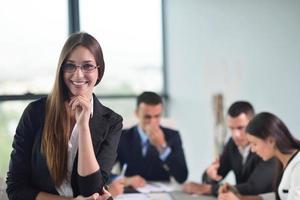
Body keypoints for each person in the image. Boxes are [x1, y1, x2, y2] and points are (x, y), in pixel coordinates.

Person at [6, 32, 123, 200]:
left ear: (99, 70)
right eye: (70, 66)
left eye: (87, 66)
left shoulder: (112, 122)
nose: (78, 74)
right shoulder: (35, 113)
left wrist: (83, 128)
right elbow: (16, 189)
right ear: (61, 70)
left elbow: (93, 191)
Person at [183, 101, 276, 196]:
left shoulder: (267, 146)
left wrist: (208, 189)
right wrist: (210, 176)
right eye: (231, 128)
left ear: (253, 124)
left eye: (240, 128)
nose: (236, 135)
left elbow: (254, 188)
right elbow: (217, 173)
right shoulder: (232, 144)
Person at [218, 112, 300, 200]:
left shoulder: (298, 166)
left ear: (271, 141)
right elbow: (280, 196)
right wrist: (241, 198)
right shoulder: (283, 162)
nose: (252, 150)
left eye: (254, 144)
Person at [116, 91, 188, 189]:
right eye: (147, 117)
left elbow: (182, 177)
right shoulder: (121, 137)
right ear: (137, 113)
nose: (152, 122)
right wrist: (125, 180)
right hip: (131, 192)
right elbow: (103, 172)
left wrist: (162, 147)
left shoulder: (173, 136)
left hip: (162, 193)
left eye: (157, 116)